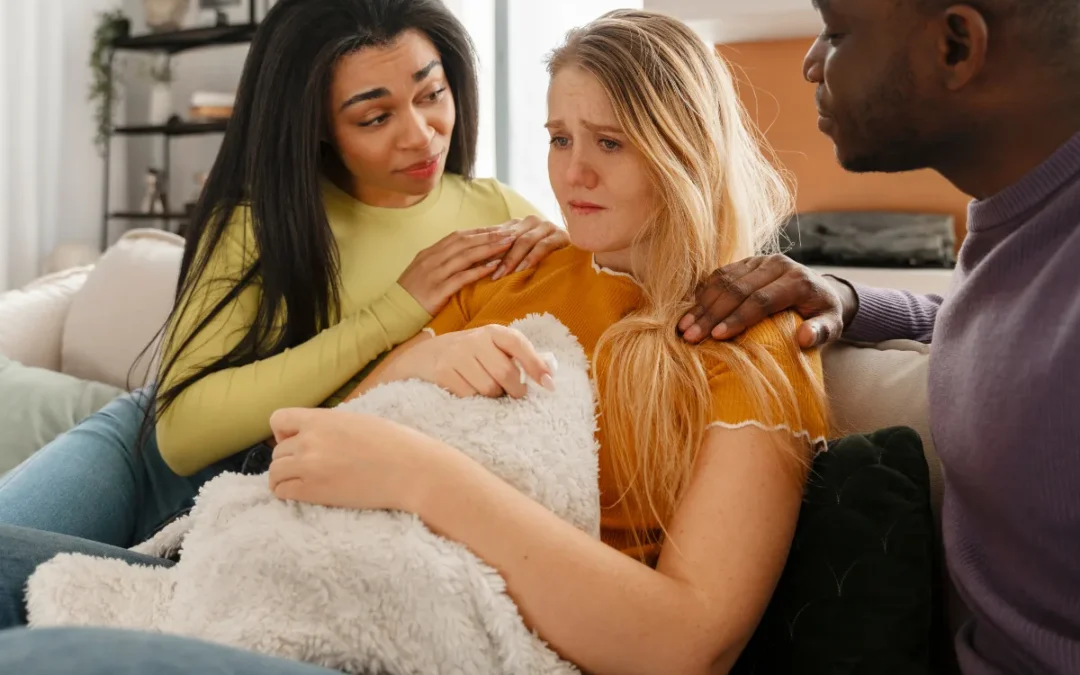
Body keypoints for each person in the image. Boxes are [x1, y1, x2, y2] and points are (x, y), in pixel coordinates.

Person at [0, 8, 829, 674]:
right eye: (558, 137)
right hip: (267, 533)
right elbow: (327, 442)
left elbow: (689, 644)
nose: (570, 175)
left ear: (688, 148)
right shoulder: (515, 267)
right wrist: (413, 355)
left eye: (609, 142)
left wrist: (423, 476)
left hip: (434, 623)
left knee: (43, 647)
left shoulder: (750, 342)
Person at [0, 0, 566, 547]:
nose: (420, 134)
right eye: (375, 116)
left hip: (277, 496)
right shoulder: (258, 223)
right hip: (151, 462)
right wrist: (396, 312)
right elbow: (180, 433)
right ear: (318, 125)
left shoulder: (501, 215)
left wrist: (580, 251)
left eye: (432, 93)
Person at [677, 1, 1080, 673]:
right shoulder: (1022, 222)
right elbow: (992, 329)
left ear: (955, 46)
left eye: (836, 33)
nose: (810, 63)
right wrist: (848, 297)